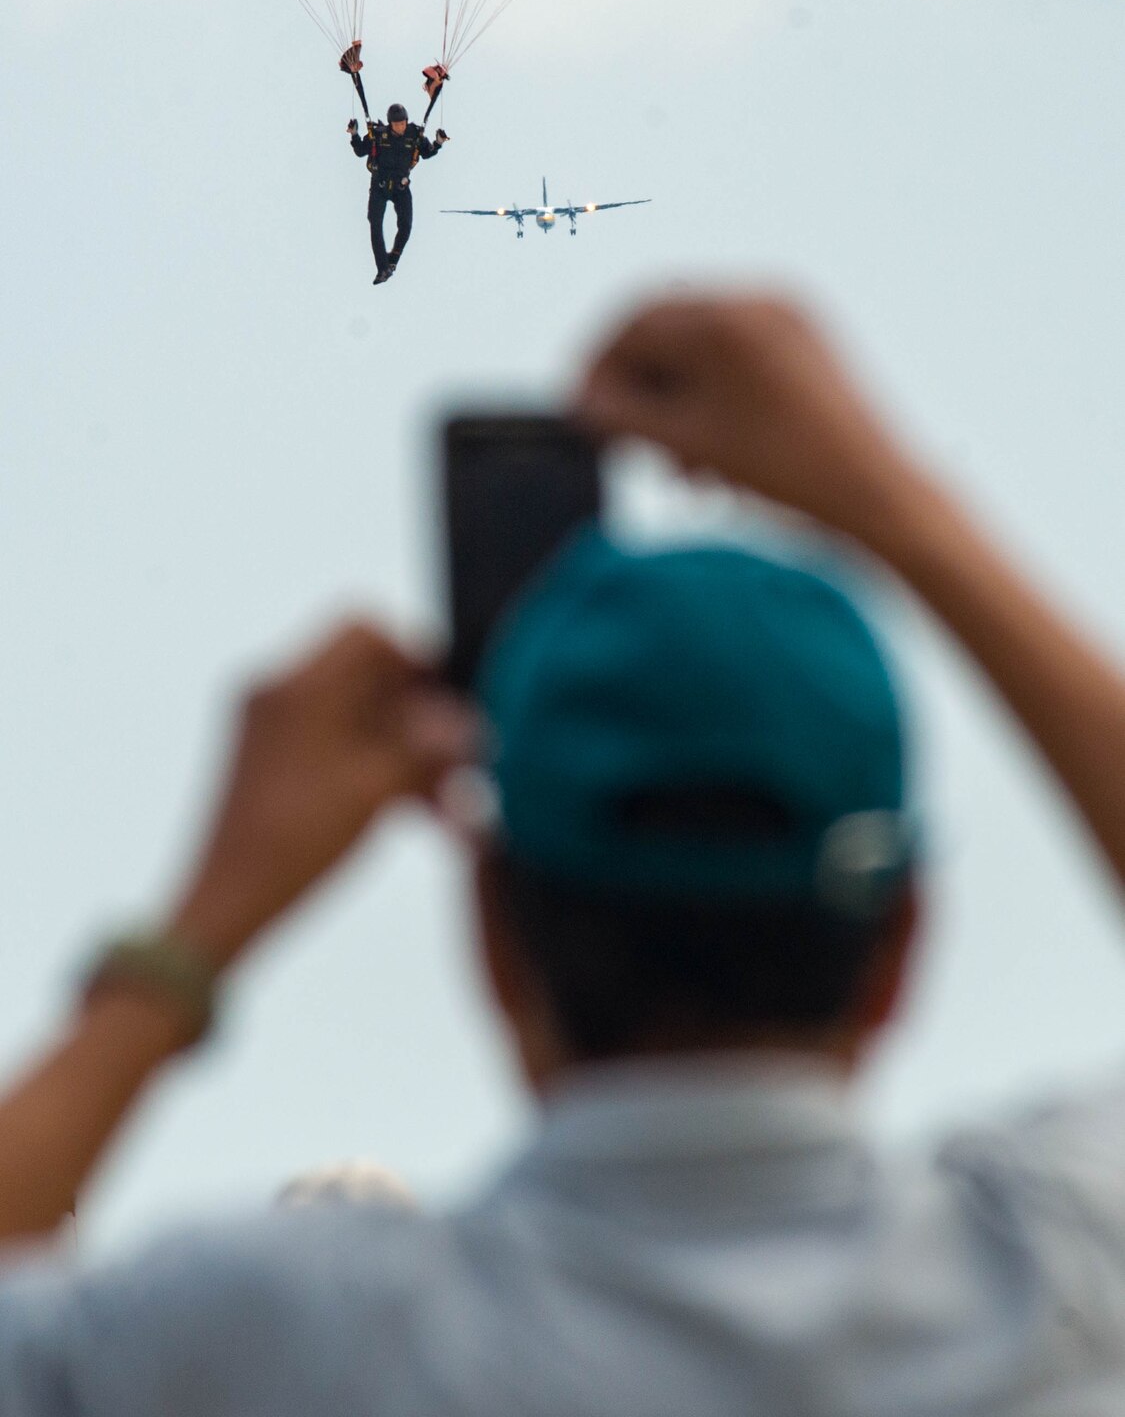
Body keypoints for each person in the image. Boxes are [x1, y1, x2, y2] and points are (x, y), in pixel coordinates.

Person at [2, 292, 1125, 1414]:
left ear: (491, 932)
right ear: (905, 942)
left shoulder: (281, 1334)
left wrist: (197, 928)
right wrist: (897, 505)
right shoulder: (1063, 1266)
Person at [347, 105, 448, 284]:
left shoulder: (414, 135)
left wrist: (438, 143)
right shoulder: (379, 135)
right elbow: (360, 151)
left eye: (402, 123)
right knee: (375, 223)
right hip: (380, 185)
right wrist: (354, 135)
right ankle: (382, 268)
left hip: (401, 187)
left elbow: (426, 153)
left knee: (406, 224)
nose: (400, 127)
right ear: (390, 124)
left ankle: (392, 260)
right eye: (396, 124)